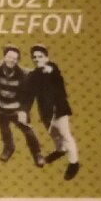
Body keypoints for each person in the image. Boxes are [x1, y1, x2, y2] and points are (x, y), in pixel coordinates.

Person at [0, 46, 44, 168]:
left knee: (28, 132)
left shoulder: (25, 75)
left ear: (18, 60)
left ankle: (37, 154)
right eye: (9, 57)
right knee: (4, 130)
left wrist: (23, 111)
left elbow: (29, 96)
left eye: (14, 58)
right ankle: (9, 148)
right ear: (4, 57)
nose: (11, 60)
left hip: (16, 110)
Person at [28, 45, 80, 180]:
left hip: (59, 110)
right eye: (34, 57)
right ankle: (60, 151)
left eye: (40, 56)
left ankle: (74, 163)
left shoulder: (52, 68)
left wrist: (49, 69)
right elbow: (30, 88)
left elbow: (53, 71)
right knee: (54, 134)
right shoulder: (35, 74)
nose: (37, 59)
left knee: (65, 135)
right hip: (45, 112)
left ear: (47, 58)